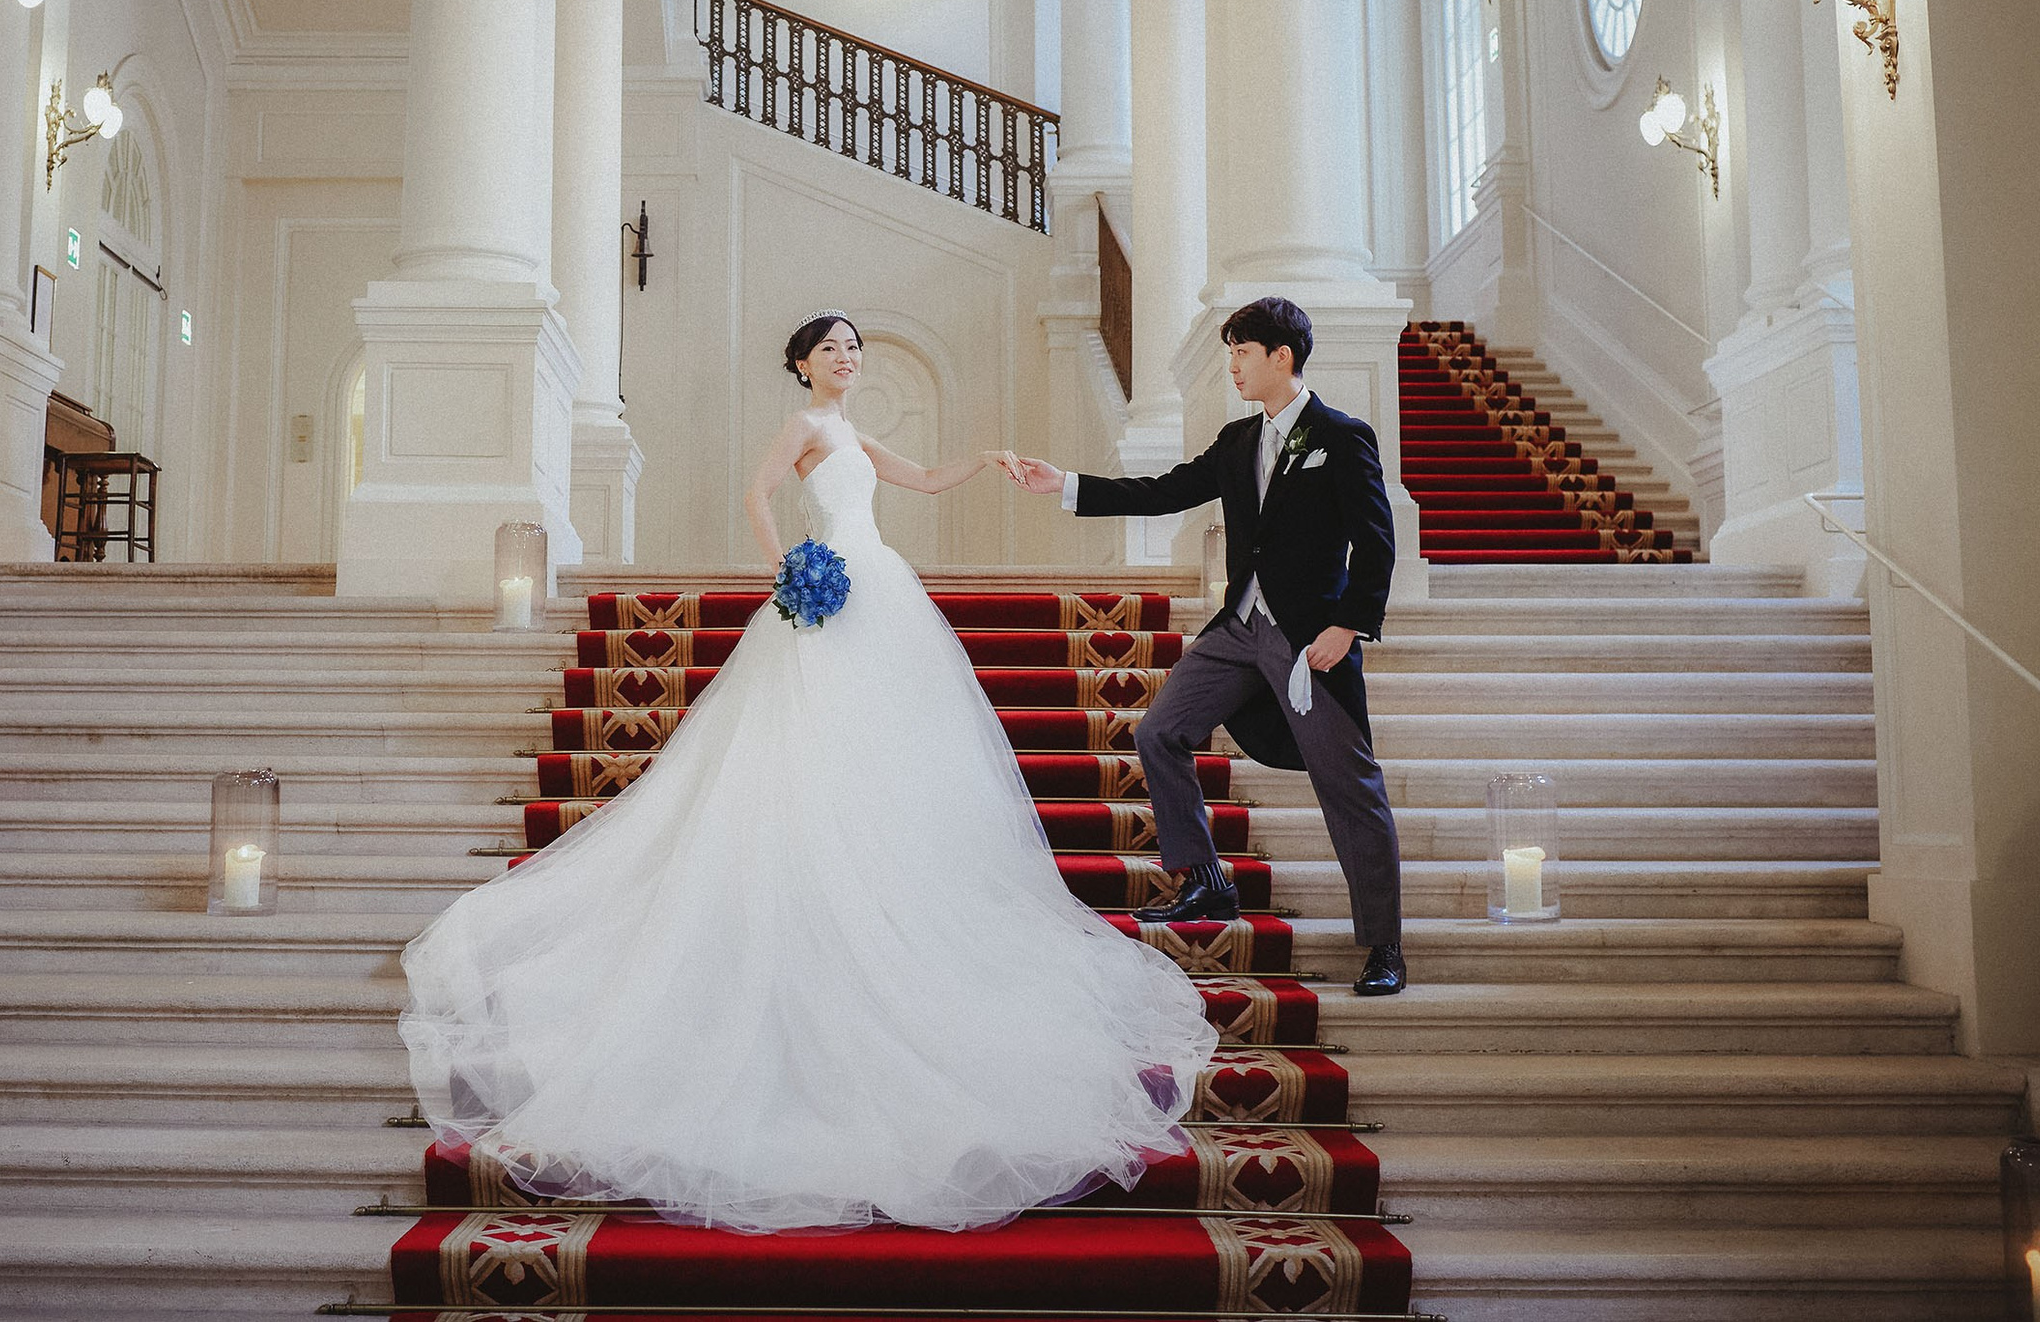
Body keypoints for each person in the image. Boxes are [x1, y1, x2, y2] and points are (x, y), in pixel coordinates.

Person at [399, 310, 1216, 1233]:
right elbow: (756, 491)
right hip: (827, 590)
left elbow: (920, 479)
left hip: (882, 591)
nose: (846, 357)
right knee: (799, 748)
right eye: (830, 348)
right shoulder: (806, 427)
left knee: (892, 755)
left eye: (854, 347)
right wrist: (786, 566)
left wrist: (985, 462)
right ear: (801, 364)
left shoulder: (856, 434)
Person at [1010, 296, 1408, 997]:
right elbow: (1165, 491)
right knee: (1162, 731)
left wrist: (1347, 627)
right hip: (1238, 630)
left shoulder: (1342, 437)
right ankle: (1205, 880)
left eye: (1242, 352)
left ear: (1281, 357)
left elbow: (1376, 543)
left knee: (1350, 788)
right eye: (1230, 352)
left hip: (1308, 638)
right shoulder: (1235, 442)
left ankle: (1383, 946)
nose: (1233, 366)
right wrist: (1065, 485)